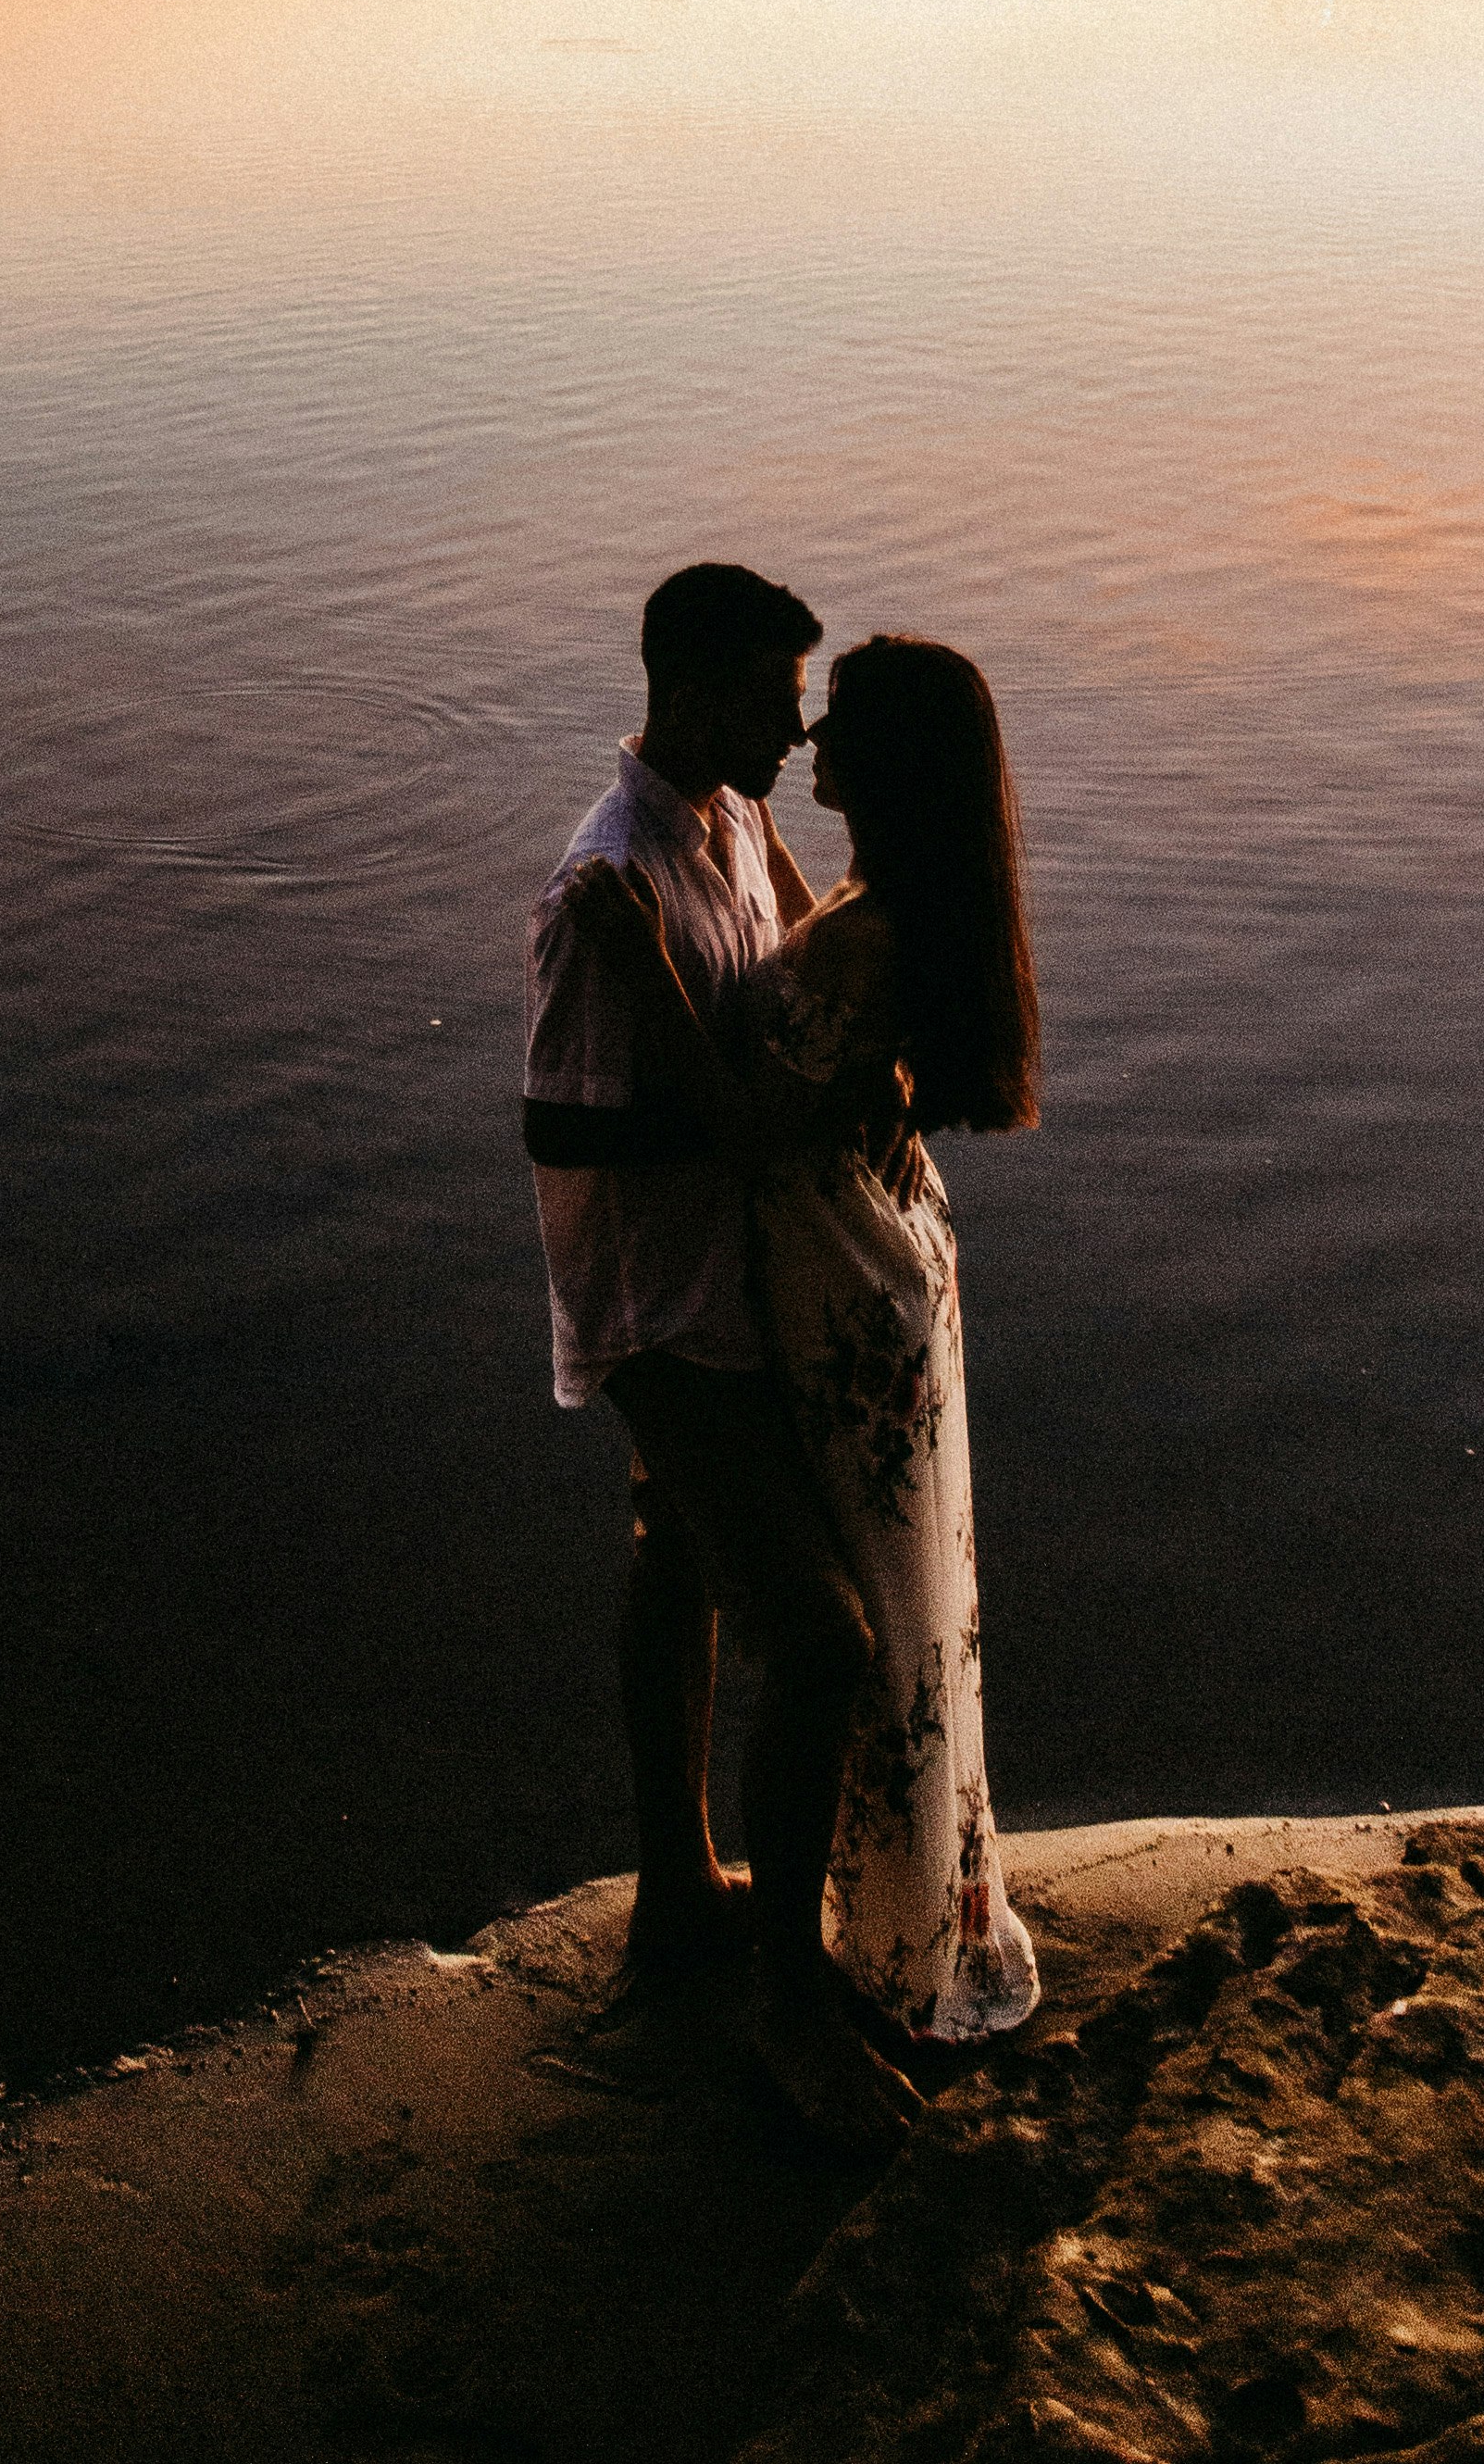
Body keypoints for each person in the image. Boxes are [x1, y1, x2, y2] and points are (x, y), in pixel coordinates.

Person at [567, 632, 1041, 2070]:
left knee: (871, 1611)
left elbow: (752, 1122)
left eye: (833, 721)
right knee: (895, 1581)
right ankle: (876, 1907)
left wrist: (642, 964)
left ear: (882, 763)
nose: (808, 736)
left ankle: (873, 1944)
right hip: (885, 1255)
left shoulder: (865, 939)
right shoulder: (887, 907)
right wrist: (756, 854)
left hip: (841, 1293)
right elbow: (801, 970)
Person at [522, 562, 917, 2150]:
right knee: (819, 1643)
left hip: (739, 1289)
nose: (795, 721)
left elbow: (795, 988)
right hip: (664, 1311)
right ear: (688, 689)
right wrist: (736, 1113)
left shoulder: (739, 829)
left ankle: (678, 1882)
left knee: (671, 1560)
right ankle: (786, 2001)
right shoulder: (598, 888)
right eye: (772, 691)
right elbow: (553, 1122)